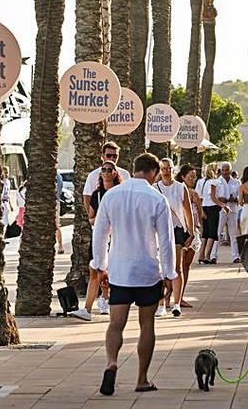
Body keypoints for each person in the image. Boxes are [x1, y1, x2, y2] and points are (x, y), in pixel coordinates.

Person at [91, 153, 176, 395]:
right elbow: (166, 241)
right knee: (146, 324)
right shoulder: (156, 199)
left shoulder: (111, 196)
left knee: (116, 324)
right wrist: (169, 273)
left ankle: (111, 363)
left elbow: (100, 233)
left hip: (119, 270)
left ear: (134, 169)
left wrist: (100, 265)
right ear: (154, 172)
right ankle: (141, 379)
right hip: (148, 271)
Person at [71, 162, 123, 321]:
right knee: (95, 270)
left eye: (109, 170)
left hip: (116, 238)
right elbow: (91, 218)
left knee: (112, 272)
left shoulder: (120, 193)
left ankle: (108, 301)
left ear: (115, 173)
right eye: (104, 170)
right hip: (100, 238)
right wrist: (100, 220)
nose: (106, 173)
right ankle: (88, 308)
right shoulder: (97, 194)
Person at [154, 158, 194, 317]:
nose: (166, 171)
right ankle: (161, 304)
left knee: (177, 267)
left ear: (172, 169)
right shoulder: (155, 188)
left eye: (168, 168)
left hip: (177, 229)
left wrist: (191, 231)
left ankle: (177, 303)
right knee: (161, 269)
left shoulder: (180, 187)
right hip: (160, 230)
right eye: (163, 168)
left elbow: (187, 210)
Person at [177, 164, 202, 308]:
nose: (193, 179)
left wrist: (198, 229)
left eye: (194, 177)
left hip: (193, 231)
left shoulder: (195, 194)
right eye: (190, 177)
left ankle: (180, 296)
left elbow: (198, 212)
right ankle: (168, 297)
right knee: (176, 265)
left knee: (186, 265)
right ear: (183, 177)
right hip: (180, 230)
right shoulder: (177, 191)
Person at [83, 141, 131, 208]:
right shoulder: (93, 175)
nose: (112, 158)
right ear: (102, 156)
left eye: (115, 156)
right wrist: (93, 217)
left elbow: (129, 196)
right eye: (108, 155)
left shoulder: (125, 174)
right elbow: (87, 196)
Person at [210, 162, 241, 263]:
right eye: (223, 170)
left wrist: (233, 199)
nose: (225, 172)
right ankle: (213, 256)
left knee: (233, 233)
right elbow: (213, 196)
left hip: (233, 208)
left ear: (230, 171)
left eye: (227, 170)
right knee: (217, 232)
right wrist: (221, 200)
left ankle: (235, 256)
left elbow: (240, 198)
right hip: (221, 209)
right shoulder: (217, 182)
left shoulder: (236, 182)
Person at [197, 164, 221, 264]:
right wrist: (223, 205)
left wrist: (201, 210)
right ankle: (207, 255)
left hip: (203, 207)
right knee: (212, 232)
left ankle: (201, 254)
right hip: (212, 208)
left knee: (205, 232)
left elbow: (199, 197)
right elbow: (213, 197)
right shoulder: (214, 181)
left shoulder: (200, 181)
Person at [55, 170, 65, 254]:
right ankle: (60, 246)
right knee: (56, 225)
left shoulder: (56, 176)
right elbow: (60, 190)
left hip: (53, 201)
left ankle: (60, 245)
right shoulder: (59, 176)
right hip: (56, 201)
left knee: (55, 225)